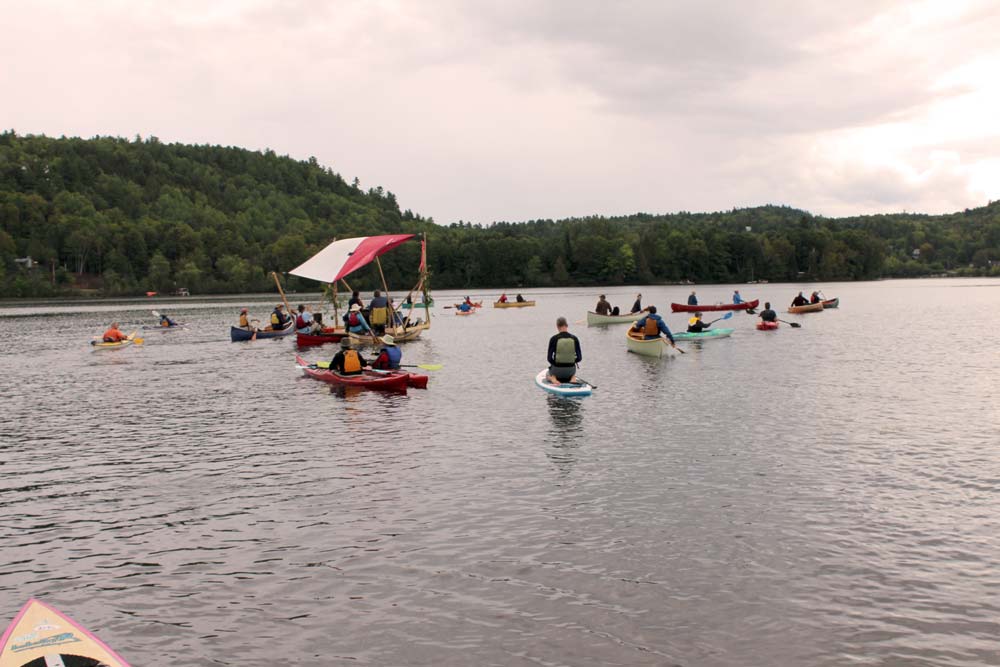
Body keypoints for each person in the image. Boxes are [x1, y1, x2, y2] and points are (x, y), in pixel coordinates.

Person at [547, 317, 582, 384]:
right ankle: (572, 378)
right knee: (572, 375)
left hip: (557, 370)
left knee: (547, 374)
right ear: (567, 325)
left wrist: (556, 363)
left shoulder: (553, 339)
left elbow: (549, 358)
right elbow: (579, 358)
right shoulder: (575, 338)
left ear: (557, 326)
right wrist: (572, 361)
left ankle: (553, 378)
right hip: (570, 370)